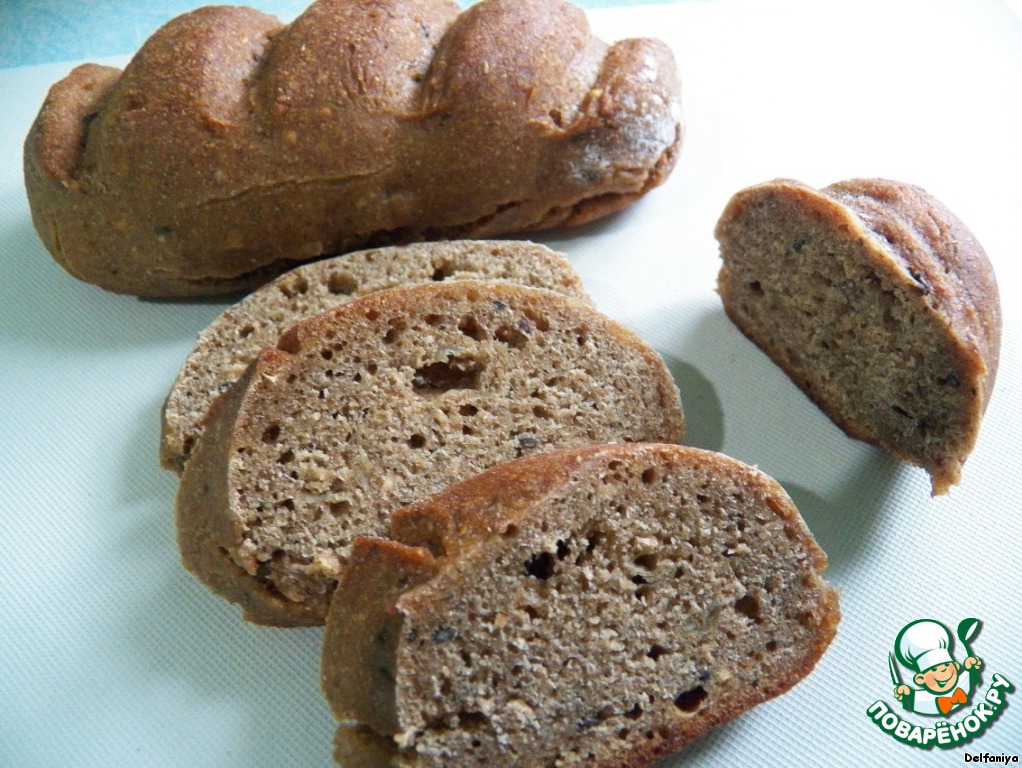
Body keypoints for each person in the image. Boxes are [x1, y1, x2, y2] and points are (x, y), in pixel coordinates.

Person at [893, 619, 982, 716]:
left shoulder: (964, 681)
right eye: (934, 669)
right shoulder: (923, 700)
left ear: (956, 666)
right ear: (920, 679)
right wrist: (906, 695)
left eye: (947, 665)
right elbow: (910, 701)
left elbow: (972, 677)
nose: (943, 671)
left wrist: (972, 667)